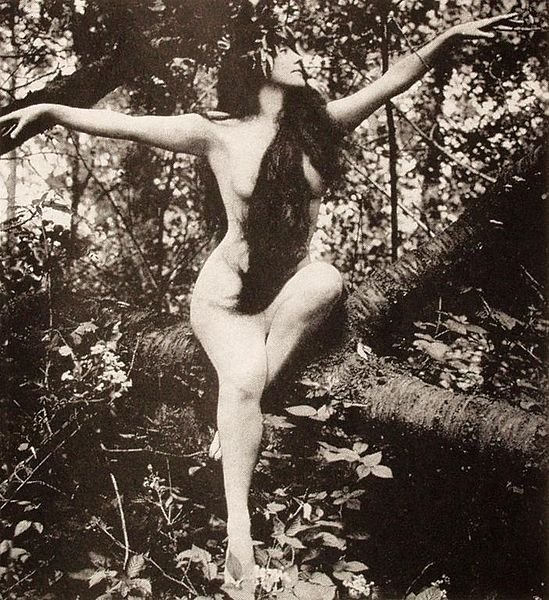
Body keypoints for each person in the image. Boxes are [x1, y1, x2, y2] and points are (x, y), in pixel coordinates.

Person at [0, 5, 519, 595]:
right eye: (287, 48)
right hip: (226, 298)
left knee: (327, 280)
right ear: (256, 63)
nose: (301, 57)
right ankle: (239, 531)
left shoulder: (323, 124)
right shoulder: (215, 132)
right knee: (243, 379)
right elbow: (125, 124)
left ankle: (238, 412)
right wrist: (51, 110)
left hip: (289, 293)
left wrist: (447, 36)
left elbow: (393, 80)